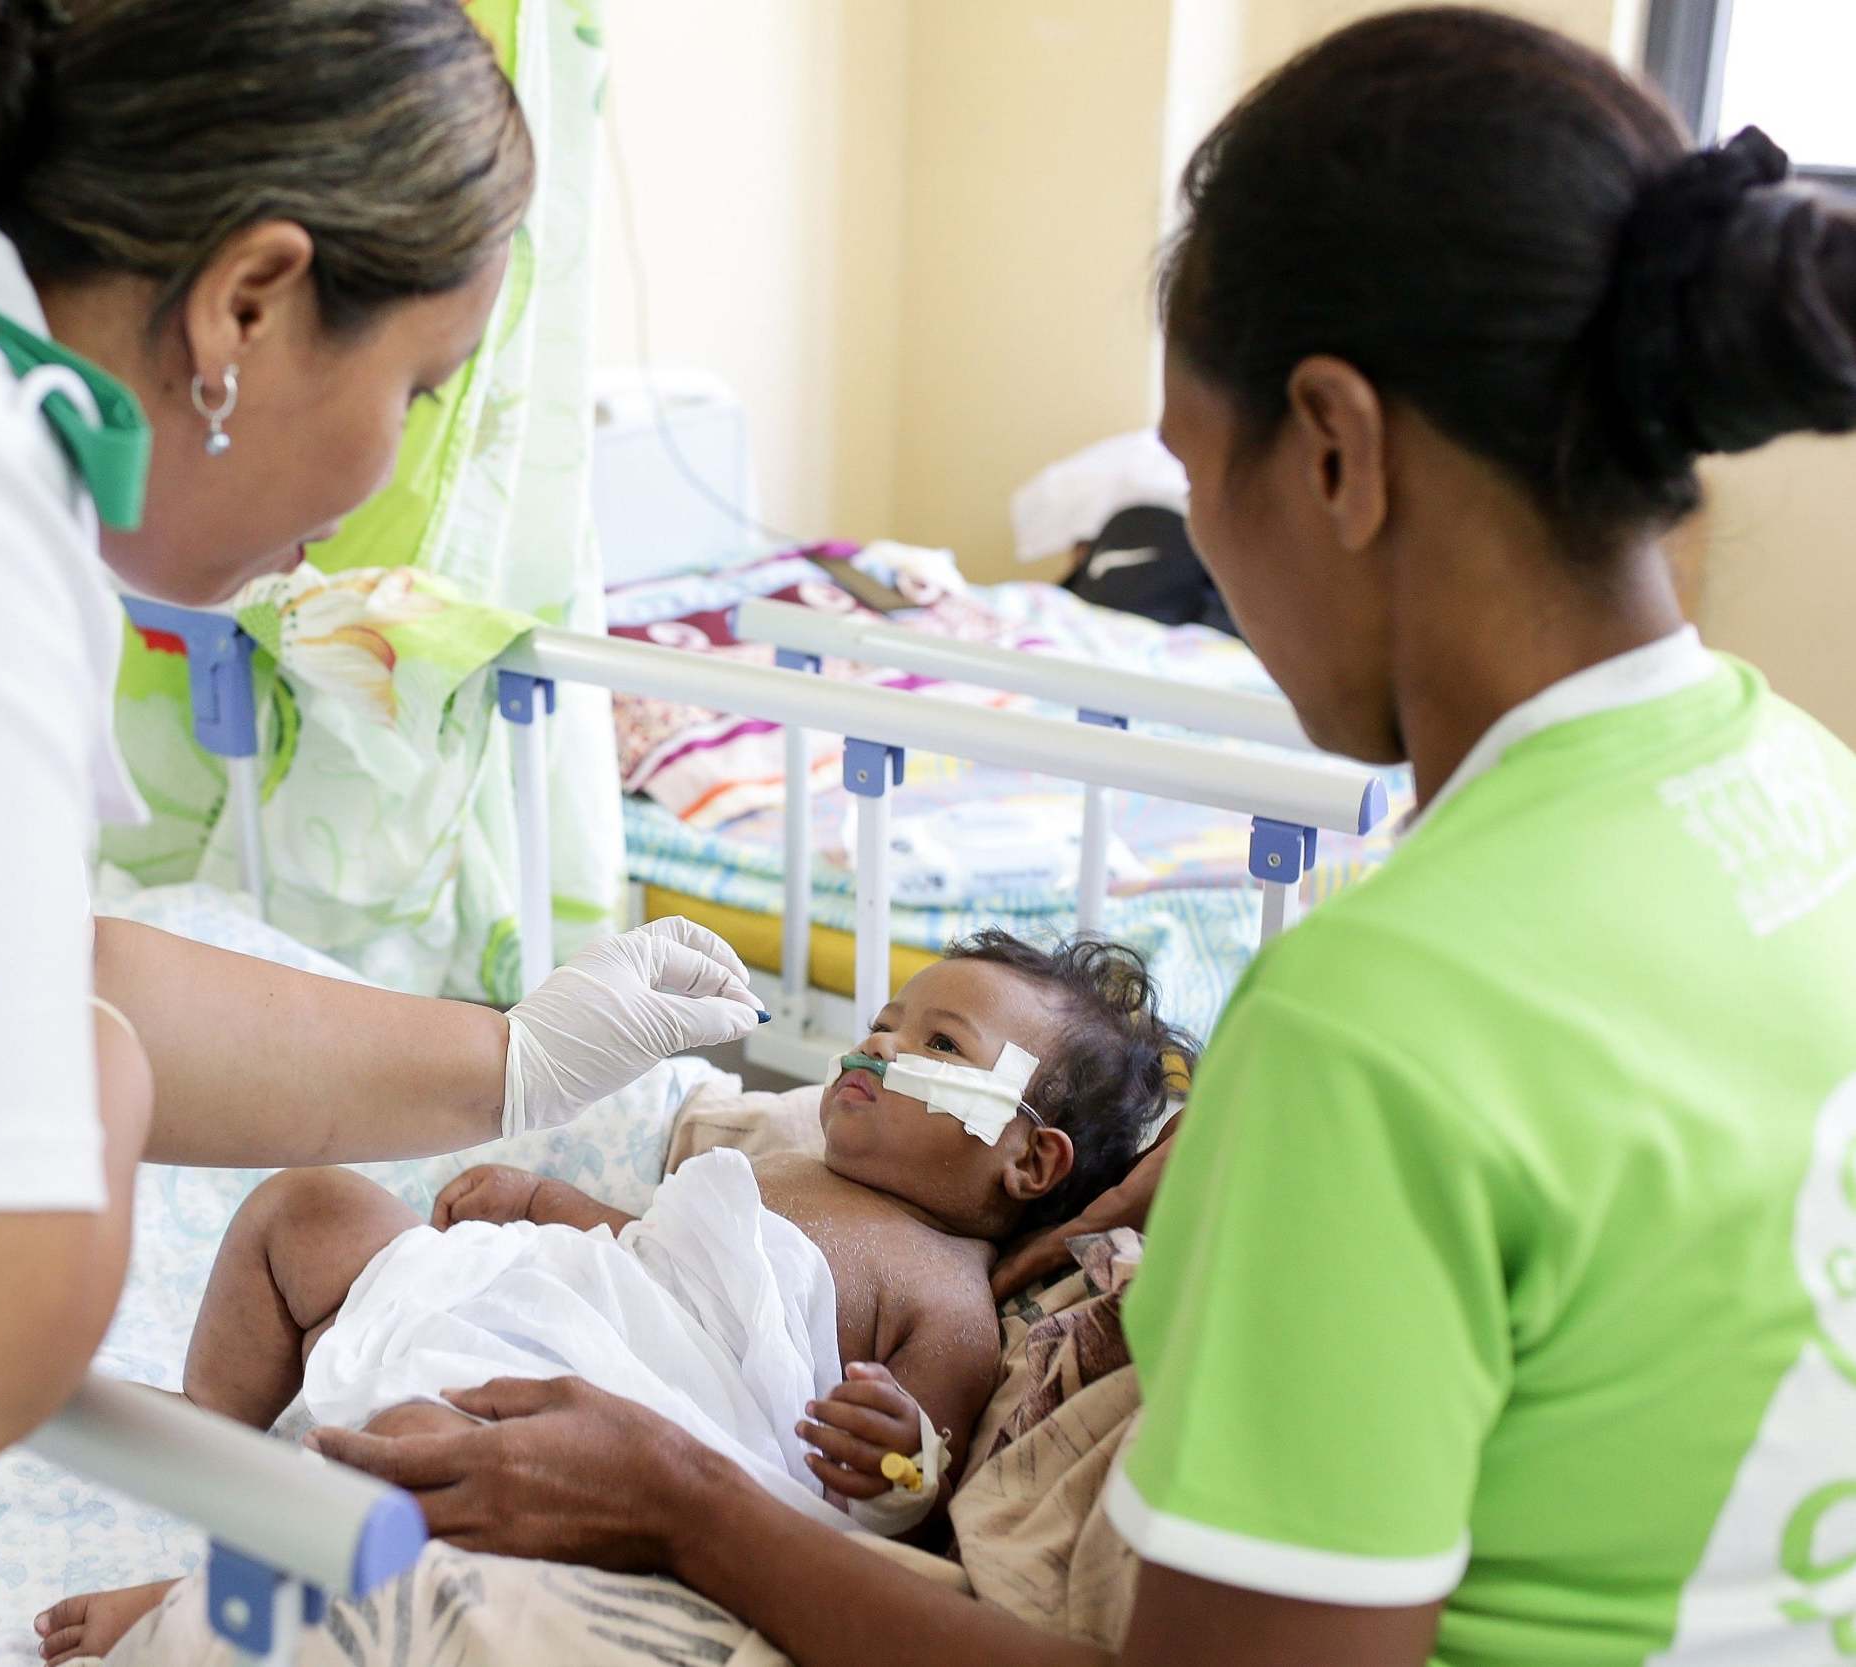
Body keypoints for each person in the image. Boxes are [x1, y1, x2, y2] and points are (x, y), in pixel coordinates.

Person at [315, 10, 1856, 1666]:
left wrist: (685, 1499)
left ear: (1332, 446)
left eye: (1194, 468)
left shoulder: (1374, 1020)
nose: (1203, 529)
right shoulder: (1804, 790)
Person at [0, 0, 761, 1505]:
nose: (382, 480)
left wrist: (511, 1057)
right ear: (249, 301)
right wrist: (77, 1079)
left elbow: (8, 958)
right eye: (417, 389)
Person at [30, 930, 1191, 1663]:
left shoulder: (947, 1298)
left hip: (608, 1408)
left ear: (1028, 1160)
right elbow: (654, 1253)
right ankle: (213, 1436)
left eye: (934, 1038)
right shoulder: (780, 1161)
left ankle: (203, 1601)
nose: (874, 1046)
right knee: (308, 1211)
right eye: (883, 1018)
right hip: (544, 1303)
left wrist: (899, 1453)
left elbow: (911, 1501)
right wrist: (544, 1199)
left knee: (422, 1451)